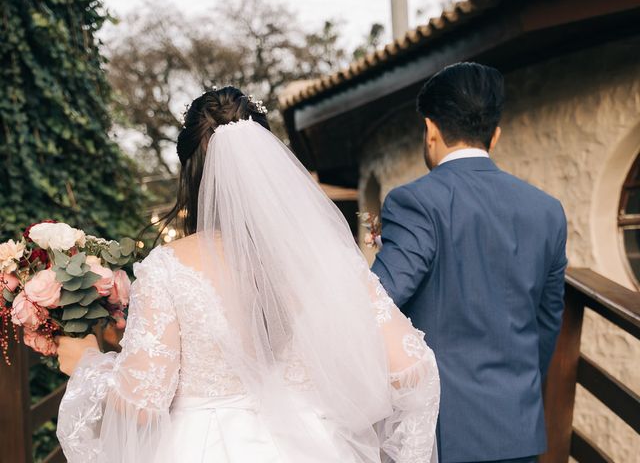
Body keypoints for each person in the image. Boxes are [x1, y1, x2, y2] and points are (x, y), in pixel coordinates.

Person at [55, 86, 440, 463]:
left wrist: (88, 364)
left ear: (190, 174)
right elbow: (415, 369)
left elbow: (142, 402)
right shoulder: (325, 261)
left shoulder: (168, 267)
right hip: (320, 447)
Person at [372, 62, 567, 463]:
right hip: (519, 428)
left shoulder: (415, 203)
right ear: (495, 134)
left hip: (445, 434)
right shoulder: (547, 210)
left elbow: (378, 302)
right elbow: (548, 321)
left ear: (430, 130)